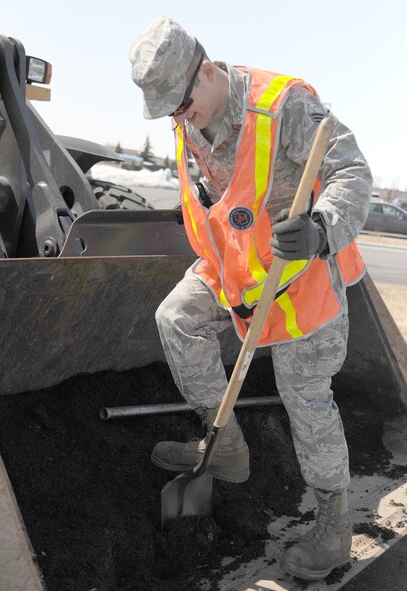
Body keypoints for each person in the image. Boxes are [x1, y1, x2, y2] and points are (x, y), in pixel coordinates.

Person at [129, 16, 372, 581]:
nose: (181, 120)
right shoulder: (187, 119)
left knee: (304, 396)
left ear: (207, 72)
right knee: (177, 320)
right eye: (171, 113)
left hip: (304, 274)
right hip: (237, 272)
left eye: (185, 106)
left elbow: (352, 171)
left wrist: (320, 227)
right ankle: (227, 446)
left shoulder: (284, 105)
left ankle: (334, 527)